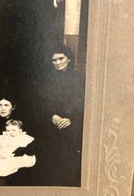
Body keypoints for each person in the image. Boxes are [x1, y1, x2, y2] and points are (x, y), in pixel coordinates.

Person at [33, 43, 85, 186]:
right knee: (51, 165)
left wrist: (71, 120)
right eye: (54, 60)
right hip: (51, 128)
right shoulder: (47, 79)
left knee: (69, 165)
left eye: (61, 58)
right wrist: (51, 115)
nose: (58, 62)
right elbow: (41, 102)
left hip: (72, 128)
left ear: (68, 59)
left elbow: (84, 104)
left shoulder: (80, 79)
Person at [0, 119, 36, 185]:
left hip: (18, 155)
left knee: (7, 163)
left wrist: (11, 153)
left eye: (13, 130)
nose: (10, 132)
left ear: (20, 131)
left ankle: (3, 179)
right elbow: (2, 146)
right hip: (6, 153)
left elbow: (26, 148)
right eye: (8, 130)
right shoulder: (6, 138)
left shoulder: (23, 138)